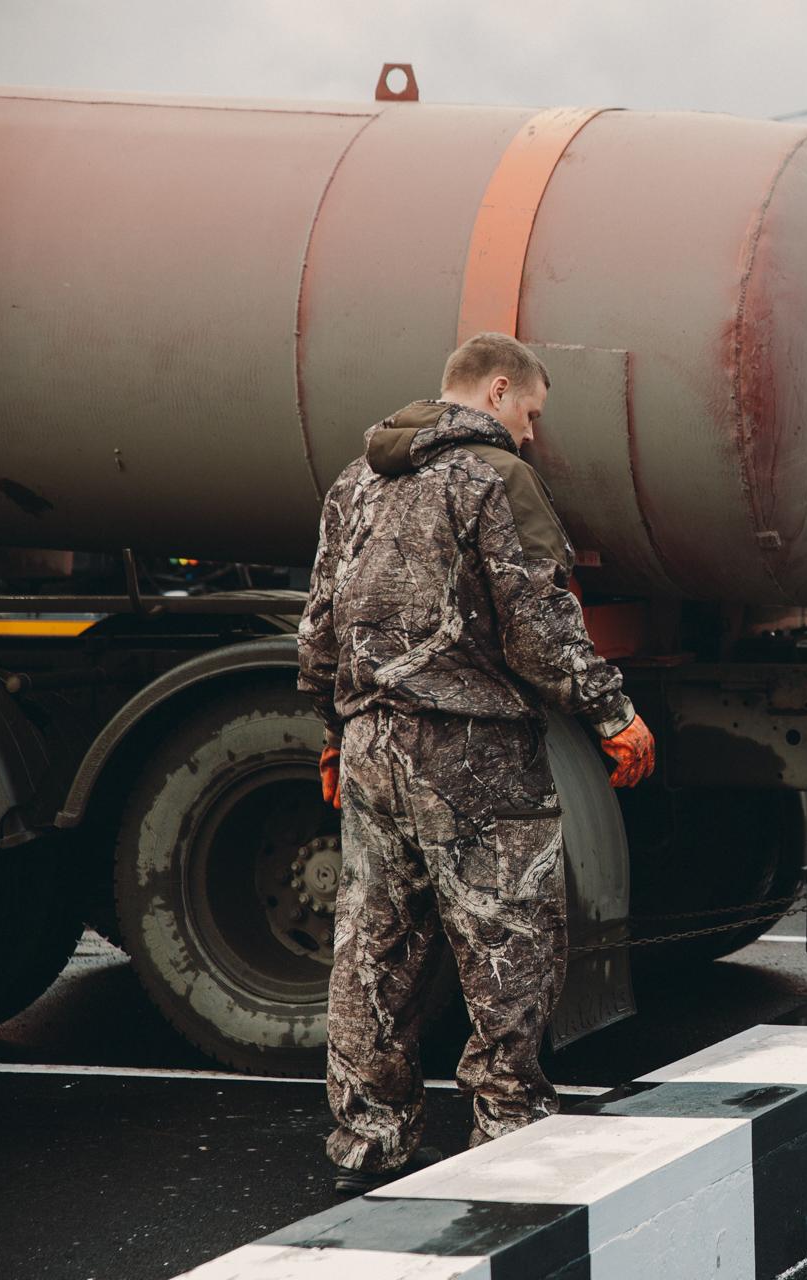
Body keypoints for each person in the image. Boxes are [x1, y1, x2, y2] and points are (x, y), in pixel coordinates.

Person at [297, 332, 656, 1194]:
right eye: (530, 413)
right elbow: (537, 619)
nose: (532, 434)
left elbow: (318, 627)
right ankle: (508, 1138)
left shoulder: (356, 480)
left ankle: (368, 1140)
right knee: (508, 947)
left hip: (373, 746)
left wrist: (332, 732)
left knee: (375, 946)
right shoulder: (497, 478)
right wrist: (614, 712)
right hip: (473, 753)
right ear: (498, 391)